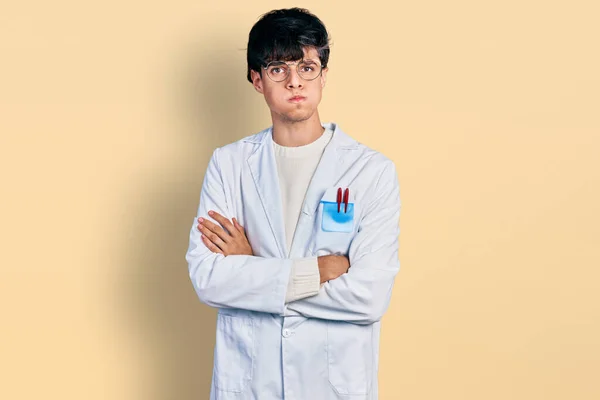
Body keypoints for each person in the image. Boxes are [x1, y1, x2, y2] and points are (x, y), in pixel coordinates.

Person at [185, 7, 401, 400]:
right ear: (257, 80)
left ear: (323, 75)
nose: (294, 82)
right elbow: (209, 279)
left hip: (333, 384)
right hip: (250, 382)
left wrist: (252, 271)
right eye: (277, 69)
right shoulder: (229, 163)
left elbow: (369, 297)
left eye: (306, 67)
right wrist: (318, 271)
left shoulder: (370, 171)